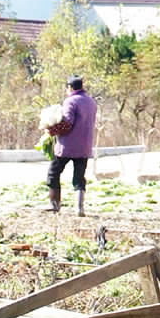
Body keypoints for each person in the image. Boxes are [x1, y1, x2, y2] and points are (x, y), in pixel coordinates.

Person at [46, 75, 97, 216]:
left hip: (67, 146)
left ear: (70, 88)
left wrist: (51, 130)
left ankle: (54, 205)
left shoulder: (70, 101)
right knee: (79, 178)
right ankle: (79, 208)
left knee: (53, 173)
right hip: (84, 146)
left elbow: (67, 123)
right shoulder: (91, 102)